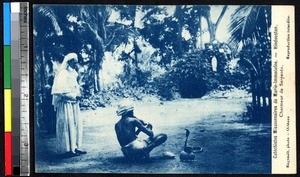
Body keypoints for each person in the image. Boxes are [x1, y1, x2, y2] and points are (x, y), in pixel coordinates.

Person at [51, 53, 87, 157]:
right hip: (66, 104)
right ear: (68, 62)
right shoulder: (62, 74)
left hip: (74, 104)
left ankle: (76, 147)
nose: (75, 64)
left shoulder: (74, 73)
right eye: (73, 62)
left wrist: (78, 94)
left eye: (76, 62)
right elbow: (61, 92)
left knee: (76, 124)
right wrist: (74, 96)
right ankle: (68, 149)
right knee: (68, 125)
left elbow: (75, 87)